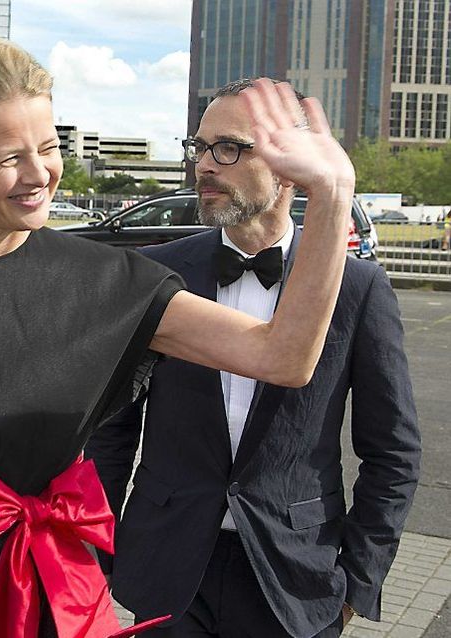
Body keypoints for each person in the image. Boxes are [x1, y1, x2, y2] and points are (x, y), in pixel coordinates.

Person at [0, 38, 356, 638]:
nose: (39, 174)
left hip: (46, 589)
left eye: (49, 147)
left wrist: (332, 194)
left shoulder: (111, 282)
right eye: (9, 158)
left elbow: (283, 356)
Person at [86, 79, 421, 638]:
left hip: (295, 577)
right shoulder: (153, 275)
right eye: (200, 147)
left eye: (230, 148)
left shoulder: (356, 287)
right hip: (167, 566)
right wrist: (96, 556)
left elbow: (393, 452)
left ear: (290, 167)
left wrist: (356, 585)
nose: (204, 166)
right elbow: (111, 432)